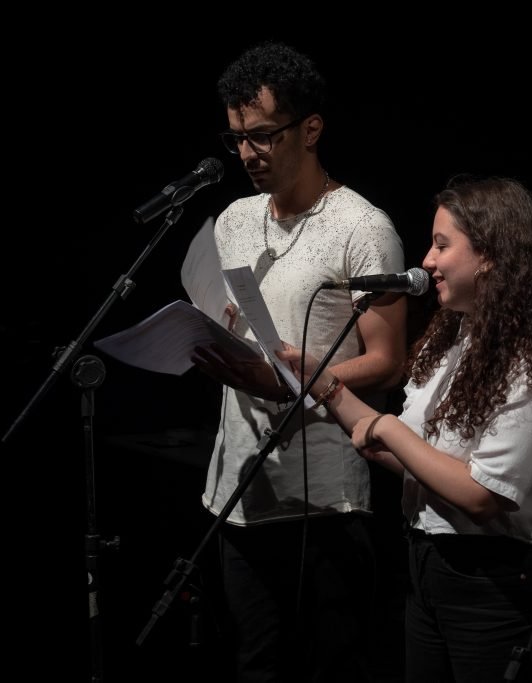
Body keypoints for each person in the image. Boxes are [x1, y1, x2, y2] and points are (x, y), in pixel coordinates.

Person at [276, 176, 532, 682]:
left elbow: (481, 495)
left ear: (491, 255)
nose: (427, 261)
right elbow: (411, 457)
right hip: (427, 562)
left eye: (442, 245)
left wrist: (389, 431)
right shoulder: (454, 343)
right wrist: (324, 385)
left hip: (493, 579)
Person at [190, 42, 407, 682]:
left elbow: (388, 362)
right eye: (237, 139)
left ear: (310, 129)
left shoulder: (362, 227)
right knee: (256, 663)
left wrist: (289, 383)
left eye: (263, 136)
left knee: (328, 663)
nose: (248, 154)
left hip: (324, 498)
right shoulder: (233, 220)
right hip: (238, 486)